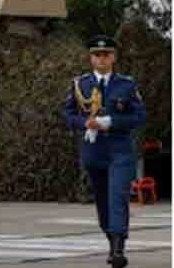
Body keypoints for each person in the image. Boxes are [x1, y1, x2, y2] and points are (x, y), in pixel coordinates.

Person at [62, 34, 146, 268]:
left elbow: (139, 116)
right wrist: (83, 123)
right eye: (97, 55)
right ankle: (111, 238)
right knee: (102, 200)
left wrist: (111, 121)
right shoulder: (80, 84)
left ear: (114, 57)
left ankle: (118, 247)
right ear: (91, 58)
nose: (102, 59)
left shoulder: (127, 85)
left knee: (117, 196)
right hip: (93, 150)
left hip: (119, 148)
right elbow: (67, 114)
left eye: (106, 54)